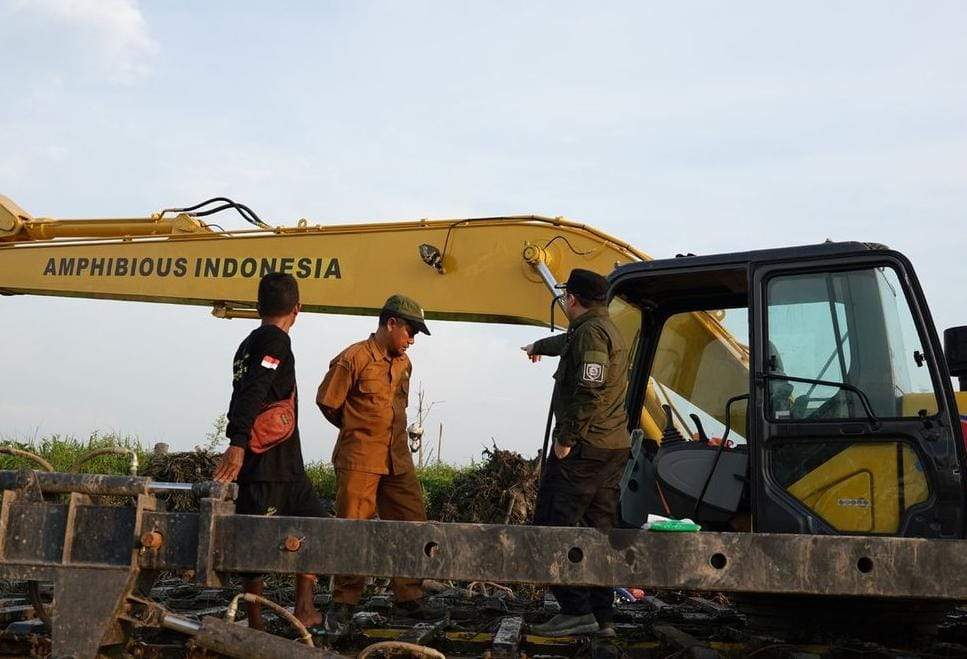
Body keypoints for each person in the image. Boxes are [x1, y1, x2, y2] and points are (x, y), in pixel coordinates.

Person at [316, 294, 438, 633]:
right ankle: (344, 602)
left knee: (412, 524)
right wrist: (358, 430)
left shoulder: (405, 363)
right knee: (353, 530)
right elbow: (328, 402)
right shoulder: (353, 358)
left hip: (398, 460)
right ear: (391, 323)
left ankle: (409, 597)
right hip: (360, 460)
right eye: (410, 331)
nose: (412, 340)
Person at [213, 272, 327, 631]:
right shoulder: (275, 341)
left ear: (258, 306)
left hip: (289, 468)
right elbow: (254, 391)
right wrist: (237, 444)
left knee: (318, 528)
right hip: (266, 467)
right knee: (255, 546)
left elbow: (243, 393)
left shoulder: (247, 344)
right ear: (298, 308)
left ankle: (304, 609)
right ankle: (255, 624)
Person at [521, 269, 631, 638]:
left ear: (571, 299)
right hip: (611, 448)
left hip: (585, 449)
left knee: (551, 528)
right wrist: (538, 346)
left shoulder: (590, 333)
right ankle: (602, 616)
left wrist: (566, 439)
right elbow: (569, 343)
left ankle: (575, 610)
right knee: (599, 534)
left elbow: (589, 389)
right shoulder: (601, 328)